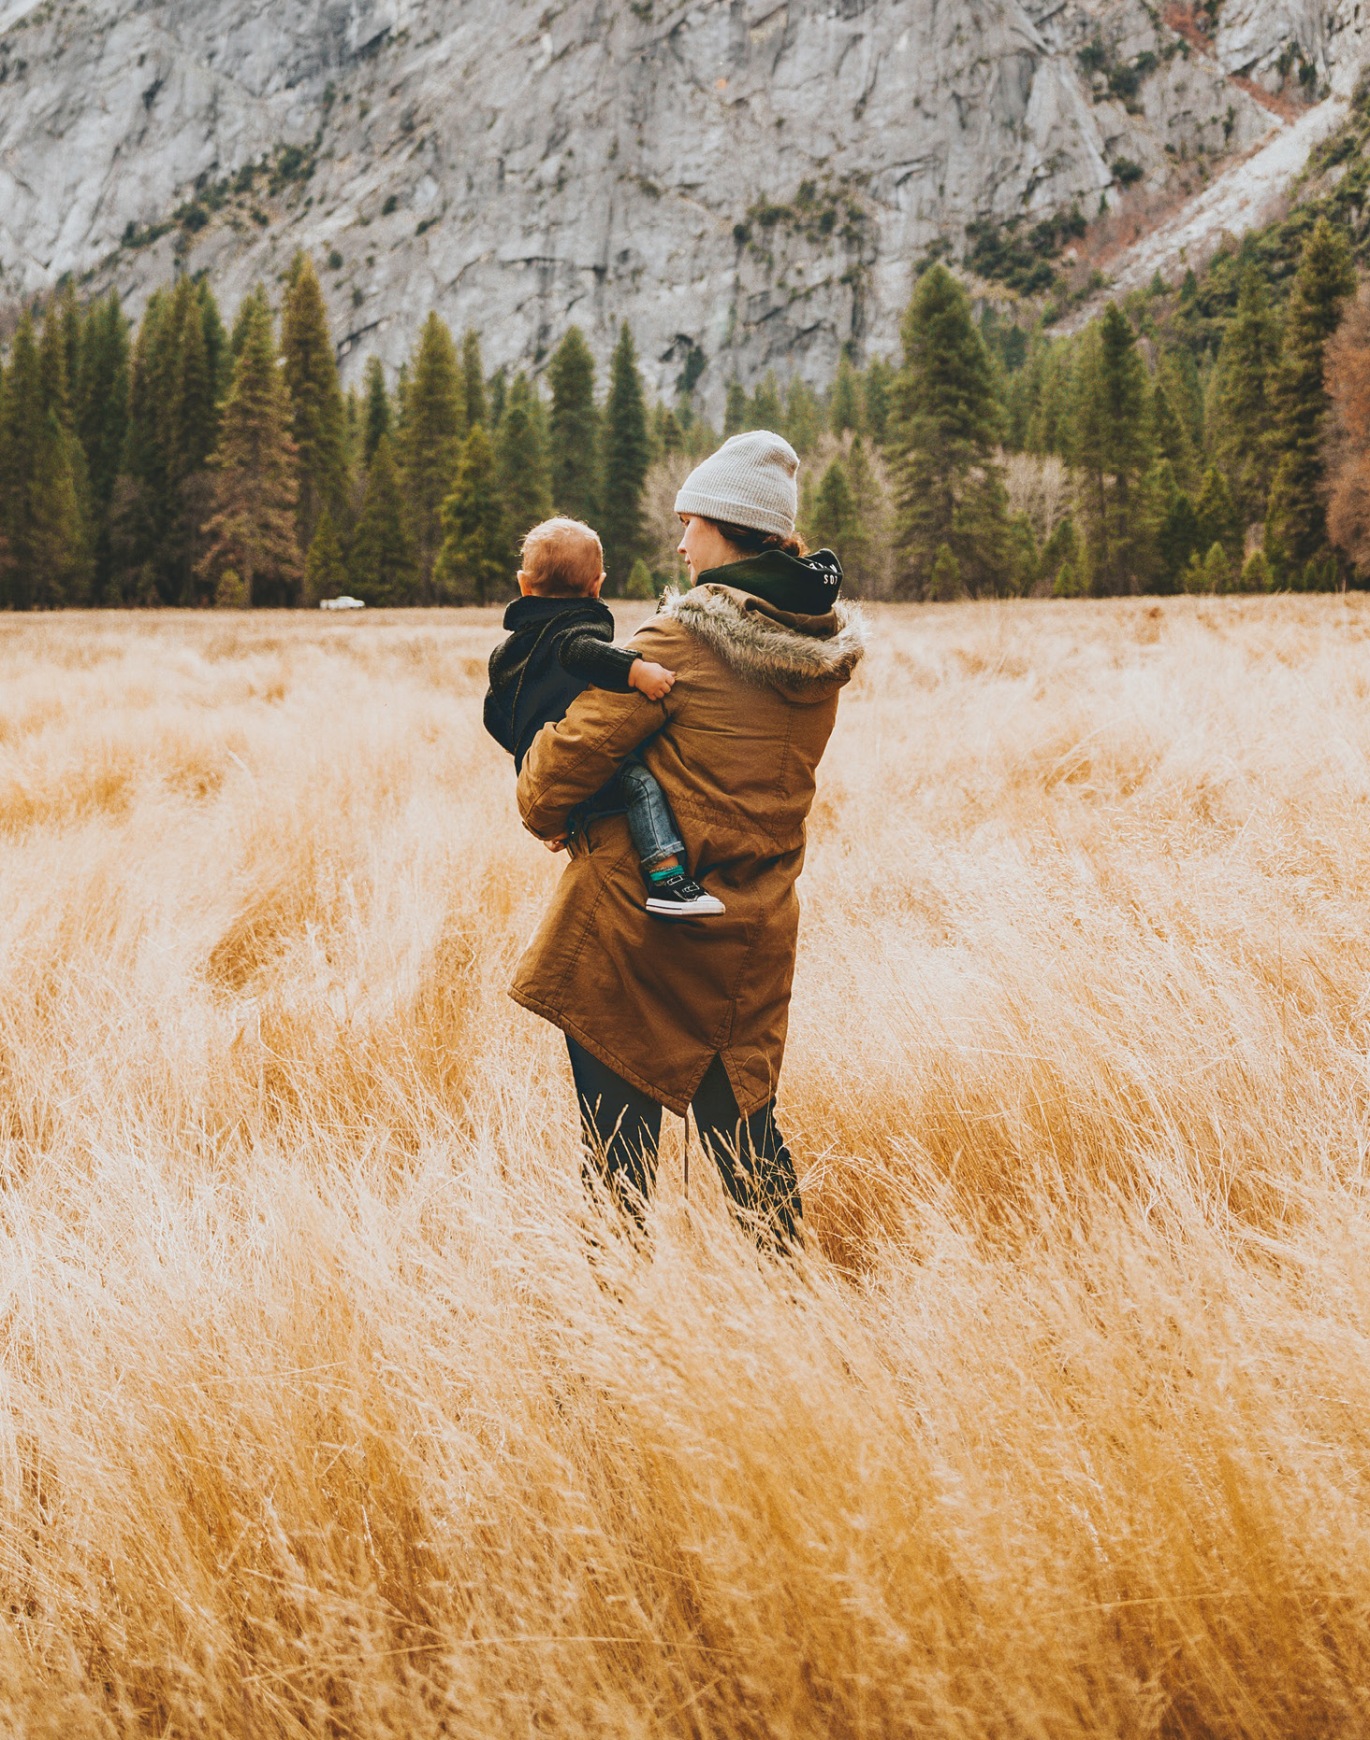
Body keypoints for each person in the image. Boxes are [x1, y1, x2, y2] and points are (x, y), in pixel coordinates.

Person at [510, 431, 865, 1244]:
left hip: (637, 938)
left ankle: (621, 1352)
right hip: (750, 937)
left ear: (727, 528)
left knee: (617, 1170)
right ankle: (794, 1321)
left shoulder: (678, 641)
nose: (679, 541)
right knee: (749, 1151)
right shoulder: (815, 651)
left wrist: (554, 797)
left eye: (690, 522)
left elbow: (549, 782)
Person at [484, 517, 724, 918]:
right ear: (597, 584)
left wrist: (527, 752)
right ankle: (667, 879)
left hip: (537, 765)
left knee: (596, 803)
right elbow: (578, 651)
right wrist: (636, 671)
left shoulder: (510, 651)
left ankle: (565, 818)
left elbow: (494, 714)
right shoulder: (573, 626)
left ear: (524, 585)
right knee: (639, 783)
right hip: (575, 761)